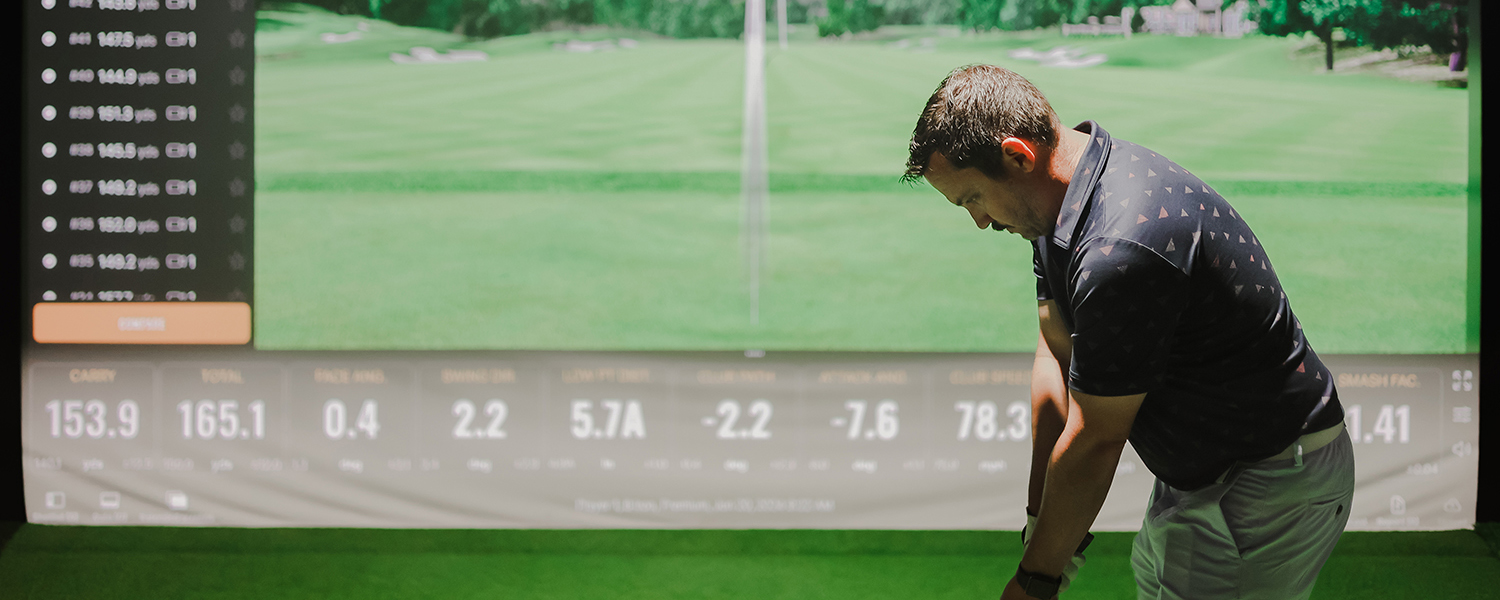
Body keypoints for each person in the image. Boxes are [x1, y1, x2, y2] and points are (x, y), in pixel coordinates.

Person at [901, 64, 1354, 600]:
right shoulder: (1058, 205)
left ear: (1018, 155)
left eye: (971, 198)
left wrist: (1036, 581)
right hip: (1200, 470)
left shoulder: (1122, 246)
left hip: (1265, 477)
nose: (979, 221)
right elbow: (1054, 348)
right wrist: (1037, 517)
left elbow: (1096, 441)